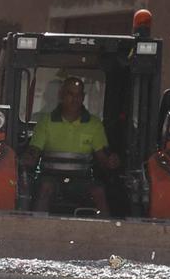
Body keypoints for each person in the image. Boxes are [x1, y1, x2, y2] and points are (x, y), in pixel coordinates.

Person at [25, 76, 113, 214]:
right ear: (61, 95)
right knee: (44, 188)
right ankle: (37, 229)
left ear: (83, 97)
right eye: (70, 94)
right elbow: (34, 150)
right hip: (51, 177)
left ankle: (109, 233)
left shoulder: (94, 124)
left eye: (78, 95)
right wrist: (28, 158)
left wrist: (110, 161)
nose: (74, 99)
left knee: (99, 191)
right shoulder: (46, 122)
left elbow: (103, 157)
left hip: (82, 179)